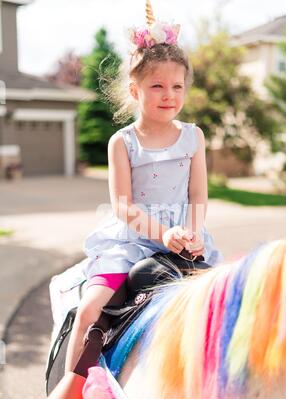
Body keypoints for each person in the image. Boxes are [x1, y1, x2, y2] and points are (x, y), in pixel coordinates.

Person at [64, 0, 222, 373]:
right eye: (157, 85)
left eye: (177, 86)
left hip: (184, 239)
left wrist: (193, 233)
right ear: (135, 91)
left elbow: (197, 195)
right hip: (132, 239)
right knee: (90, 307)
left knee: (220, 309)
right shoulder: (123, 141)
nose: (169, 94)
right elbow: (123, 206)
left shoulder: (193, 136)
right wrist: (162, 233)